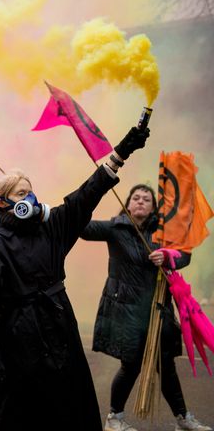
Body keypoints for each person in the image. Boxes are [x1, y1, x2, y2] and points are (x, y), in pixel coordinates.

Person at [0, 125, 149, 431]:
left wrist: (121, 153)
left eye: (31, 190)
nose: (31, 197)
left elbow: (86, 196)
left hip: (59, 329)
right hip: (19, 341)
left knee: (68, 408)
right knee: (22, 416)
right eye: (22, 193)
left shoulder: (50, 229)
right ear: (1, 201)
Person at [81, 184, 211, 431]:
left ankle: (183, 419)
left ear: (153, 207)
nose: (140, 201)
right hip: (127, 312)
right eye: (136, 197)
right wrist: (83, 200)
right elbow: (82, 228)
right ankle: (114, 418)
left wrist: (169, 256)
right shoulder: (114, 228)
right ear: (128, 203)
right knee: (131, 365)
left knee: (166, 365)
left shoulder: (163, 232)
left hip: (159, 308)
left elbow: (185, 254)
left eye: (146, 199)